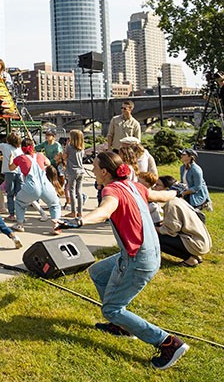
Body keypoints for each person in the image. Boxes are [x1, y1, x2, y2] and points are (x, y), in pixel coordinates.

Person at [79, 151, 188, 370]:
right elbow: (160, 196)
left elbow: (103, 212)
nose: (92, 170)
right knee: (98, 272)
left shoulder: (111, 190)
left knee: (111, 308)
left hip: (137, 258)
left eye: (95, 166)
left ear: (104, 171)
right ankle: (121, 326)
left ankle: (168, 343)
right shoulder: (133, 185)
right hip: (149, 252)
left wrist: (78, 221)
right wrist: (175, 192)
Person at [152, 180, 211, 267]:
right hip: (200, 241)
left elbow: (171, 230)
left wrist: (155, 229)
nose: (154, 187)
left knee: (157, 238)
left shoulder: (171, 204)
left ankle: (190, 259)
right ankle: (194, 256)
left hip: (196, 244)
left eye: (158, 185)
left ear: (167, 189)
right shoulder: (178, 200)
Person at [11, 138, 62, 232]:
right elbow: (48, 163)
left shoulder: (20, 158)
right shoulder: (40, 155)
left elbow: (11, 168)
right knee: (54, 204)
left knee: (20, 202)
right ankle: (56, 225)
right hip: (45, 185)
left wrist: (11, 159)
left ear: (22, 148)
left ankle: (20, 224)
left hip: (31, 186)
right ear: (33, 147)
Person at [64, 130, 87, 220]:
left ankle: (73, 211)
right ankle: (80, 212)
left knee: (72, 191)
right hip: (81, 171)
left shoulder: (70, 147)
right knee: (79, 192)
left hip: (72, 171)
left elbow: (64, 157)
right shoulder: (82, 148)